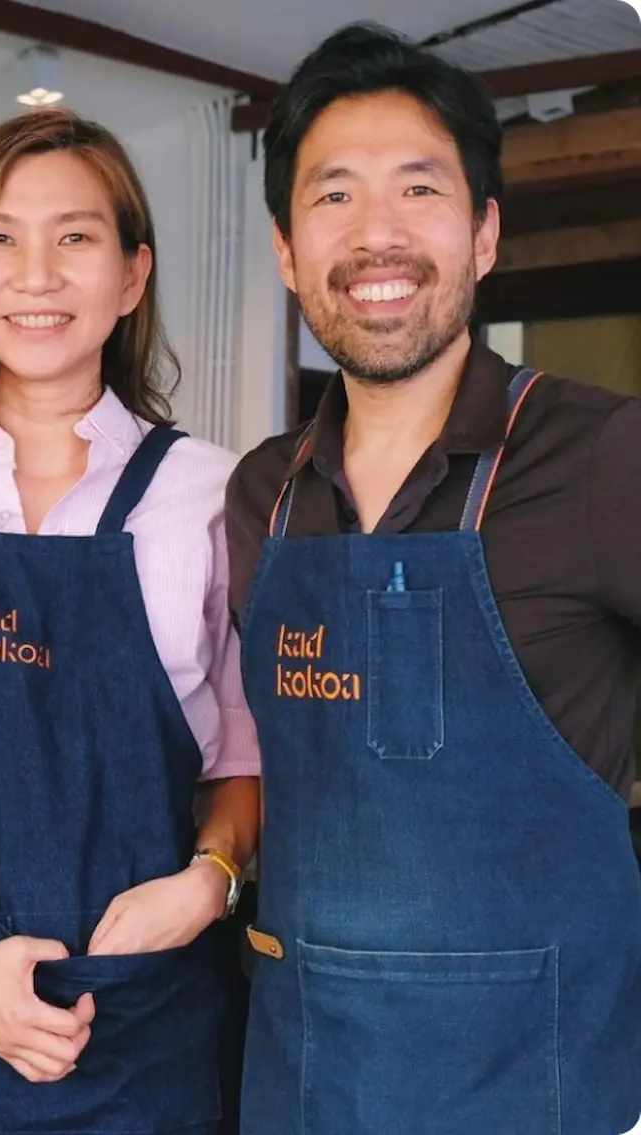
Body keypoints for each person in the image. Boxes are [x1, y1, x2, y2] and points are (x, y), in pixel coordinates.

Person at [226, 23, 641, 1135]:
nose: (377, 237)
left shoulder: (599, 454)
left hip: (537, 1088)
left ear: (483, 232)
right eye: (333, 198)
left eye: (417, 189)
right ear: (283, 247)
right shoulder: (261, 493)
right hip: (301, 1077)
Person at [0, 108, 260, 1134]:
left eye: (74, 236)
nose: (36, 273)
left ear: (131, 276)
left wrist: (208, 883)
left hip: (151, 1019)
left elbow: (248, 762)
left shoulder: (214, 496)